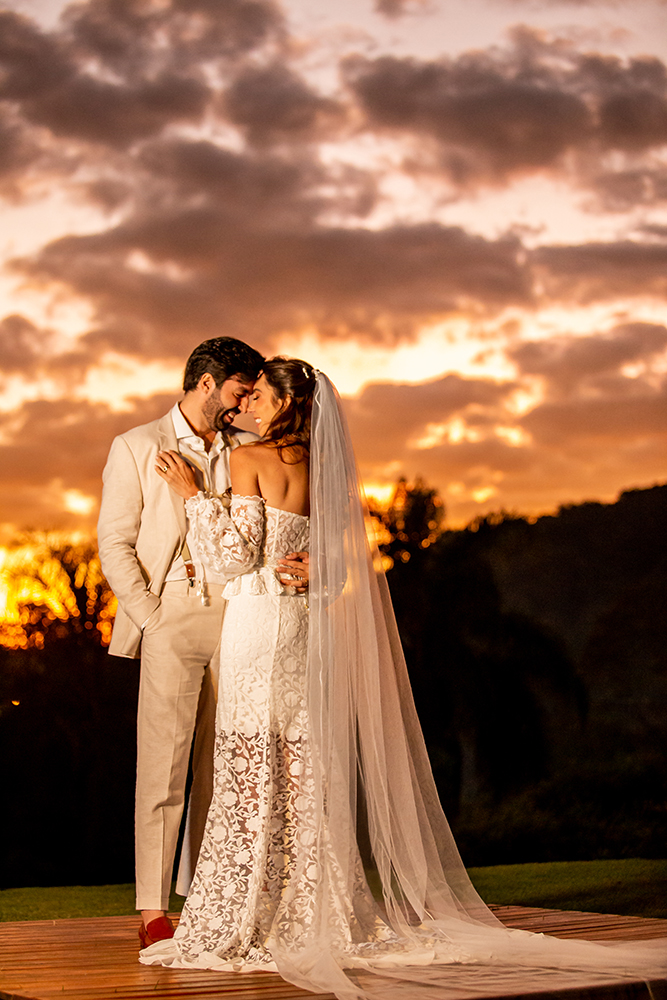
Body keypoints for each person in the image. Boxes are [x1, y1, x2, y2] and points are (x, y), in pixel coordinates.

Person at [140, 358, 667, 1000]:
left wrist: (194, 497)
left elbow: (231, 558)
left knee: (251, 766)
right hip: (305, 633)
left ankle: (245, 915)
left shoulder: (249, 459)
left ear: (282, 403)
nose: (249, 402)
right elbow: (338, 569)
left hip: (256, 631)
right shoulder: (327, 471)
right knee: (303, 765)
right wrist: (318, 570)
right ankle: (311, 909)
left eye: (259, 394)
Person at [97, 338, 309, 949]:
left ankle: (212, 897)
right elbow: (114, 543)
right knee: (162, 764)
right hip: (174, 613)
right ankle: (152, 912)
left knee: (227, 765)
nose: (245, 404)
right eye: (242, 390)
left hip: (248, 617)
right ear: (210, 382)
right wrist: (151, 615)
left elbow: (277, 525)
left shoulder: (250, 448)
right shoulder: (137, 446)